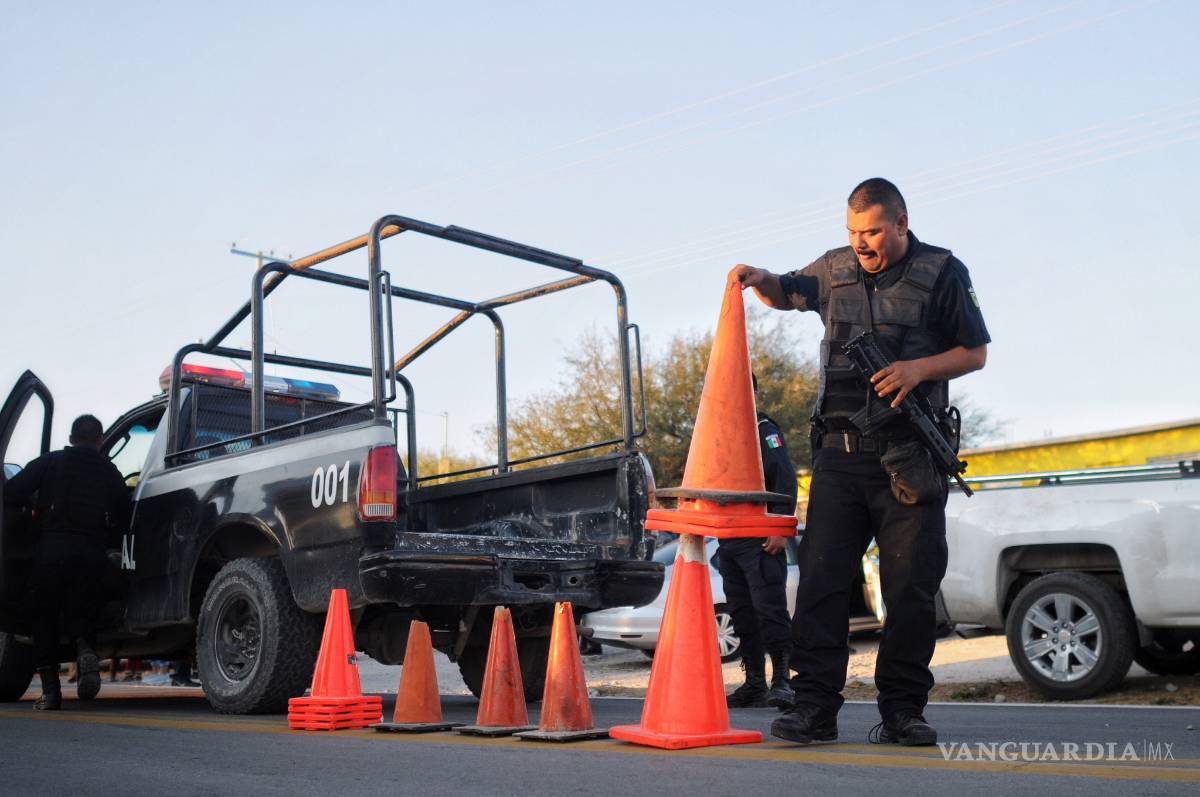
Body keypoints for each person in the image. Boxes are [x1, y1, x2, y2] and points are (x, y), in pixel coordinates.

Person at [733, 178, 990, 746]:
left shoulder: (943, 270)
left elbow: (975, 352)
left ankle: (902, 712)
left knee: (910, 591)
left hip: (910, 460)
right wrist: (758, 281)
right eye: (852, 232)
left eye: (872, 231)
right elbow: (786, 292)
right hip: (838, 458)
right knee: (823, 586)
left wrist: (917, 370)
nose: (862, 243)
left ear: (900, 223)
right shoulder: (834, 267)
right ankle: (814, 710)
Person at [4, 414, 129, 709]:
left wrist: (32, 509)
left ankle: (50, 693)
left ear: (72, 438)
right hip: (90, 553)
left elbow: (10, 492)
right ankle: (85, 648)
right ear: (100, 441)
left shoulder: (50, 462)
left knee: (43, 619)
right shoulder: (109, 470)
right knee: (83, 608)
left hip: (51, 552)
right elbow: (124, 514)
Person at [718, 374, 798, 709]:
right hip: (730, 538)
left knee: (770, 611)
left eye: (743, 391)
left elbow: (784, 476)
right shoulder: (723, 434)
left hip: (760, 538)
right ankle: (754, 683)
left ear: (754, 393)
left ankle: (783, 682)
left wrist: (780, 527)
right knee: (742, 613)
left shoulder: (764, 430)